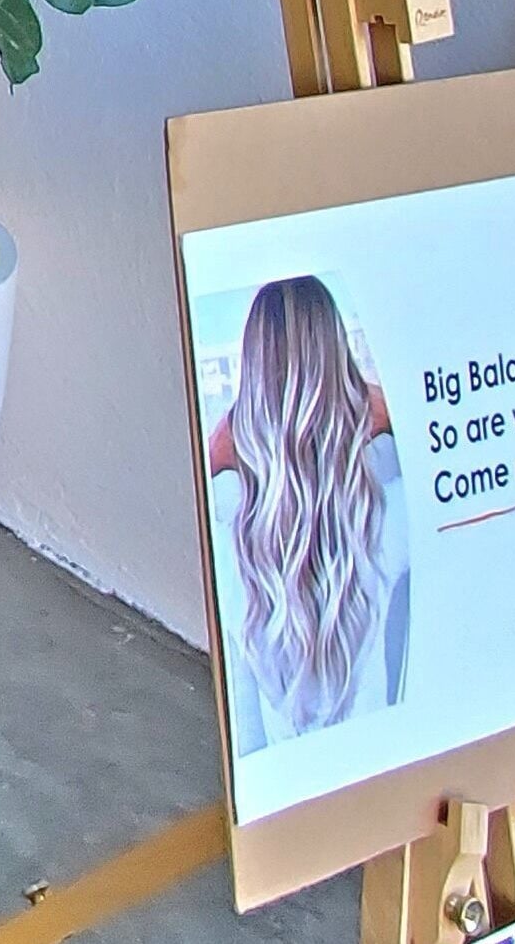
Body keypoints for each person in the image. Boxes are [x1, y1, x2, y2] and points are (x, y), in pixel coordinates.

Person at [206, 274, 412, 754]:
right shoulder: (390, 515)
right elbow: (432, 433)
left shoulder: (228, 539)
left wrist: (232, 436)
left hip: (285, 795)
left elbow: (247, 732)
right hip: (383, 778)